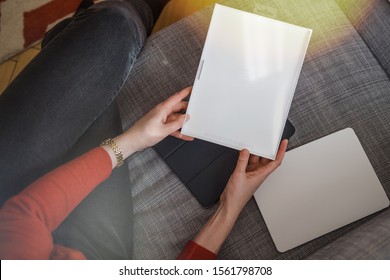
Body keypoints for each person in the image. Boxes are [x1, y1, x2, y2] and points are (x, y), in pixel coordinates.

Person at [0, 0, 287, 259]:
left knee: (110, 30)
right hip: (101, 254)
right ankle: (81, 22)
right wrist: (231, 205)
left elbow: (25, 214)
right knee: (94, 41)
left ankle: (115, 11)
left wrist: (134, 140)